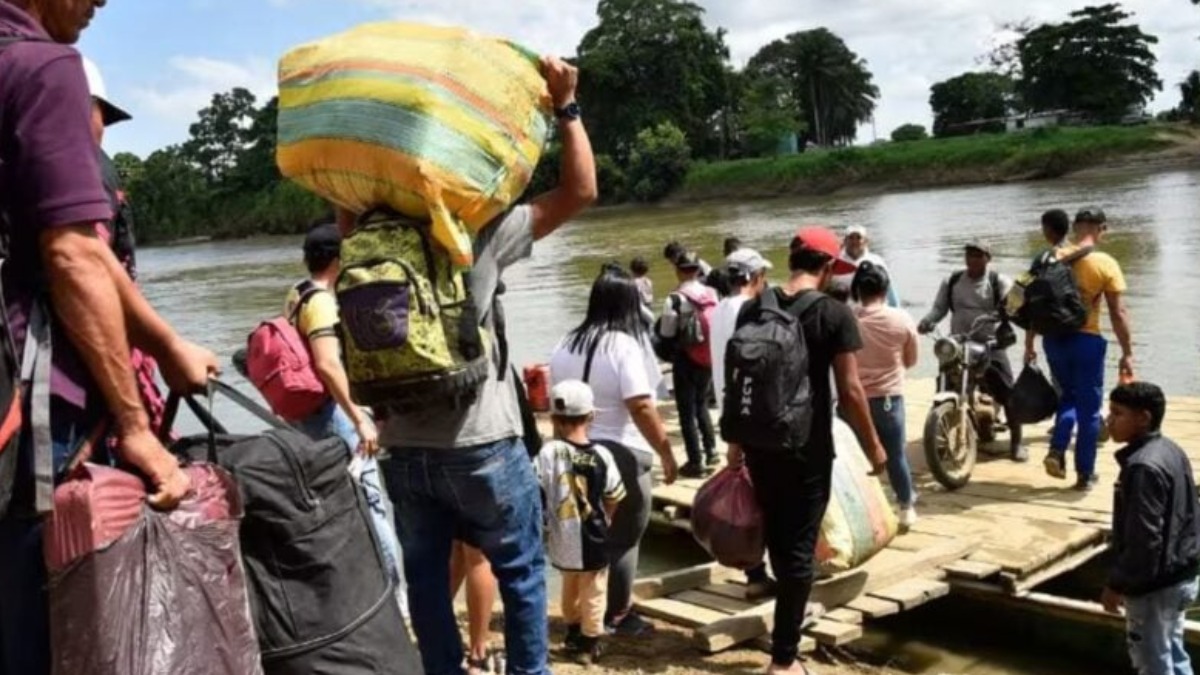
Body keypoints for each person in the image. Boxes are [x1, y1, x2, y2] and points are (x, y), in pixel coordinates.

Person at [0, 2, 219, 672]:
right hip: (35, 425)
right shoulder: (40, 67)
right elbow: (74, 256)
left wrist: (165, 345)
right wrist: (134, 426)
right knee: (65, 638)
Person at [375, 56, 597, 675]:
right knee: (522, 571)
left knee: (424, 578)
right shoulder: (478, 230)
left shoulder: (365, 232)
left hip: (402, 447)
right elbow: (580, 191)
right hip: (481, 443)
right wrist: (566, 107)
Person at [727, 227, 888, 675]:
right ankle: (783, 660)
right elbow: (852, 391)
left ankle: (789, 619)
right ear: (829, 267)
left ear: (793, 260)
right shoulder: (834, 314)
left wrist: (735, 445)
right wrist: (875, 446)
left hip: (759, 441)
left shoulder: (754, 307)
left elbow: (741, 382)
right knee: (799, 547)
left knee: (780, 534)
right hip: (806, 445)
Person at [549, 267, 677, 638]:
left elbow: (556, 405)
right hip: (621, 453)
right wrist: (666, 451)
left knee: (579, 538)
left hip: (572, 450)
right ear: (628, 304)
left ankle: (577, 616)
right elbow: (640, 405)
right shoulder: (624, 345)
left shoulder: (565, 343)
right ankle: (618, 615)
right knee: (623, 539)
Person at [285, 221, 405, 611]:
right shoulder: (321, 301)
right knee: (371, 503)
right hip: (334, 416)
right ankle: (396, 598)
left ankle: (355, 595)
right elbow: (327, 364)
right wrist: (359, 418)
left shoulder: (297, 294)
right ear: (339, 259)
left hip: (309, 418)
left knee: (340, 506)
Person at [1026, 208, 1134, 491]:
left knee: (1068, 399)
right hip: (1087, 341)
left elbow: (1033, 303)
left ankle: (1057, 449)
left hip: (1054, 341)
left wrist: (1029, 344)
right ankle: (1085, 474)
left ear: (1075, 228)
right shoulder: (1104, 263)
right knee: (1088, 409)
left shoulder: (1050, 258)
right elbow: (1118, 312)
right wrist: (1127, 351)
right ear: (1102, 229)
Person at [1102, 382, 1200, 675]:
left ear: (1143, 418)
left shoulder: (1143, 467)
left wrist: (1116, 584)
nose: (1109, 420)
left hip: (1154, 584)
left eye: (1117, 414)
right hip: (1182, 573)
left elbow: (1144, 538)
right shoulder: (1171, 450)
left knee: (1152, 662)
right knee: (1172, 648)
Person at [534, 380, 626, 665]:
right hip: (594, 535)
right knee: (594, 590)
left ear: (553, 419)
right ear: (591, 416)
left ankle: (572, 630)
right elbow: (614, 494)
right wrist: (607, 517)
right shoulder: (603, 455)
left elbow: (535, 487)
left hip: (562, 537)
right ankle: (590, 641)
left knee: (569, 586)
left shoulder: (548, 453)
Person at [918, 241, 1027, 462]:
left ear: (988, 258)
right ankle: (939, 436)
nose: (973, 260)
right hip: (957, 343)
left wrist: (1006, 311)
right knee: (944, 385)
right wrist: (927, 321)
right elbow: (939, 308)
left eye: (978, 255)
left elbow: (1016, 303)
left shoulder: (998, 281)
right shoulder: (952, 280)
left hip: (989, 343)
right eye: (969, 255)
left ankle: (1017, 442)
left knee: (1010, 393)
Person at [708, 247, 776, 599]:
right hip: (750, 414)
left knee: (747, 495)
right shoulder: (749, 311)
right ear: (752, 278)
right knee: (764, 495)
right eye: (762, 276)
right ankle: (767, 573)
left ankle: (756, 572)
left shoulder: (719, 308)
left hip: (728, 411)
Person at [852, 262, 920, 528]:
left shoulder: (850, 320)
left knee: (859, 459)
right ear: (885, 288)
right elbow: (911, 360)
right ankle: (905, 507)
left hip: (854, 400)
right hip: (889, 398)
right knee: (895, 455)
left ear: (858, 289)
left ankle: (864, 514)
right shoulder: (901, 319)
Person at [658, 251, 719, 478]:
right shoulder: (712, 292)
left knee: (686, 411)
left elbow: (666, 332)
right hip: (708, 356)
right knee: (701, 403)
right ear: (697, 269)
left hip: (685, 358)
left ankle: (695, 461)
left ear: (678, 270)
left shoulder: (674, 299)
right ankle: (712, 451)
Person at [831, 225, 900, 307]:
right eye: (851, 238)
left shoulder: (877, 261)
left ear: (866, 241)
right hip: (844, 311)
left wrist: (896, 309)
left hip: (872, 311)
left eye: (858, 237)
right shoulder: (835, 261)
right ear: (845, 241)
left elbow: (889, 289)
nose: (854, 241)